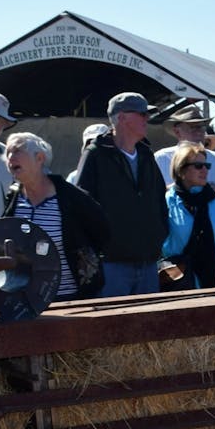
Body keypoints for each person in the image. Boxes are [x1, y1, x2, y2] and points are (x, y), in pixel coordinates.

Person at [75, 92, 169, 296]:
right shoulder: (95, 155)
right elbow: (83, 208)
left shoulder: (146, 155)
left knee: (147, 326)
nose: (147, 119)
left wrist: (157, 237)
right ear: (121, 117)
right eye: (142, 114)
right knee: (112, 326)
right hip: (111, 266)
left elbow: (160, 200)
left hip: (148, 263)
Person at [1, 131, 107, 301]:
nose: (10, 157)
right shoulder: (13, 198)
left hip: (70, 295)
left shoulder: (69, 196)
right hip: (28, 297)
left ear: (40, 158)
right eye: (8, 153)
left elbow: (101, 229)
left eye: (17, 151)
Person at [162, 141, 215, 289]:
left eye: (206, 166)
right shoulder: (165, 203)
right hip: (178, 285)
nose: (205, 170)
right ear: (181, 170)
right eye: (198, 166)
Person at [154, 104, 215, 201]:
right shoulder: (160, 159)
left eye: (201, 127)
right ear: (177, 132)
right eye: (192, 127)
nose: (199, 132)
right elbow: (150, 197)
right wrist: (172, 189)